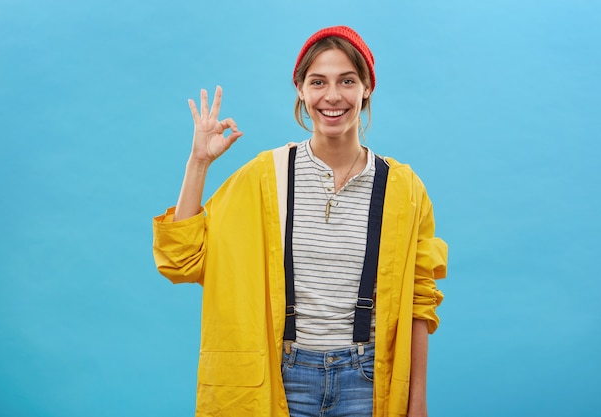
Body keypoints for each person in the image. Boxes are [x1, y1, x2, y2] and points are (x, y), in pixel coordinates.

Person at [153, 25, 448, 417]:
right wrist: (199, 163)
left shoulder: (402, 188)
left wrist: (417, 403)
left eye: (347, 80)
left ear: (366, 88)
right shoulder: (264, 176)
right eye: (317, 81)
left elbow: (420, 302)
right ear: (300, 89)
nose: (332, 95)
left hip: (368, 383)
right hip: (281, 380)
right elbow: (181, 260)